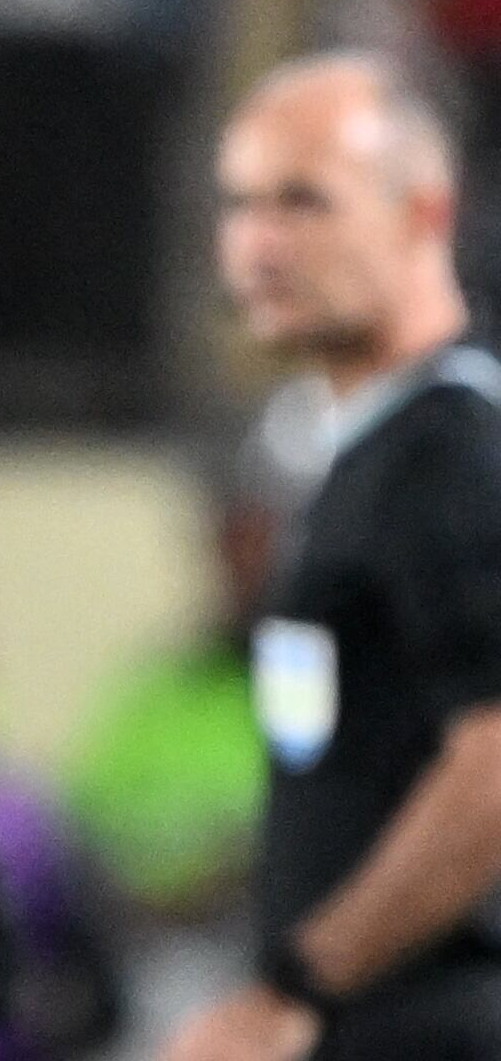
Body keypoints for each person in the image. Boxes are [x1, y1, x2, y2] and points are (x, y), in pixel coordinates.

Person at [163, 53, 501, 1061]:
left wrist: (299, 980)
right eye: (243, 203)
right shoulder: (353, 452)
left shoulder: (456, 454)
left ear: (423, 214)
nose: (260, 242)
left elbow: (493, 755)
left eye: (305, 202)